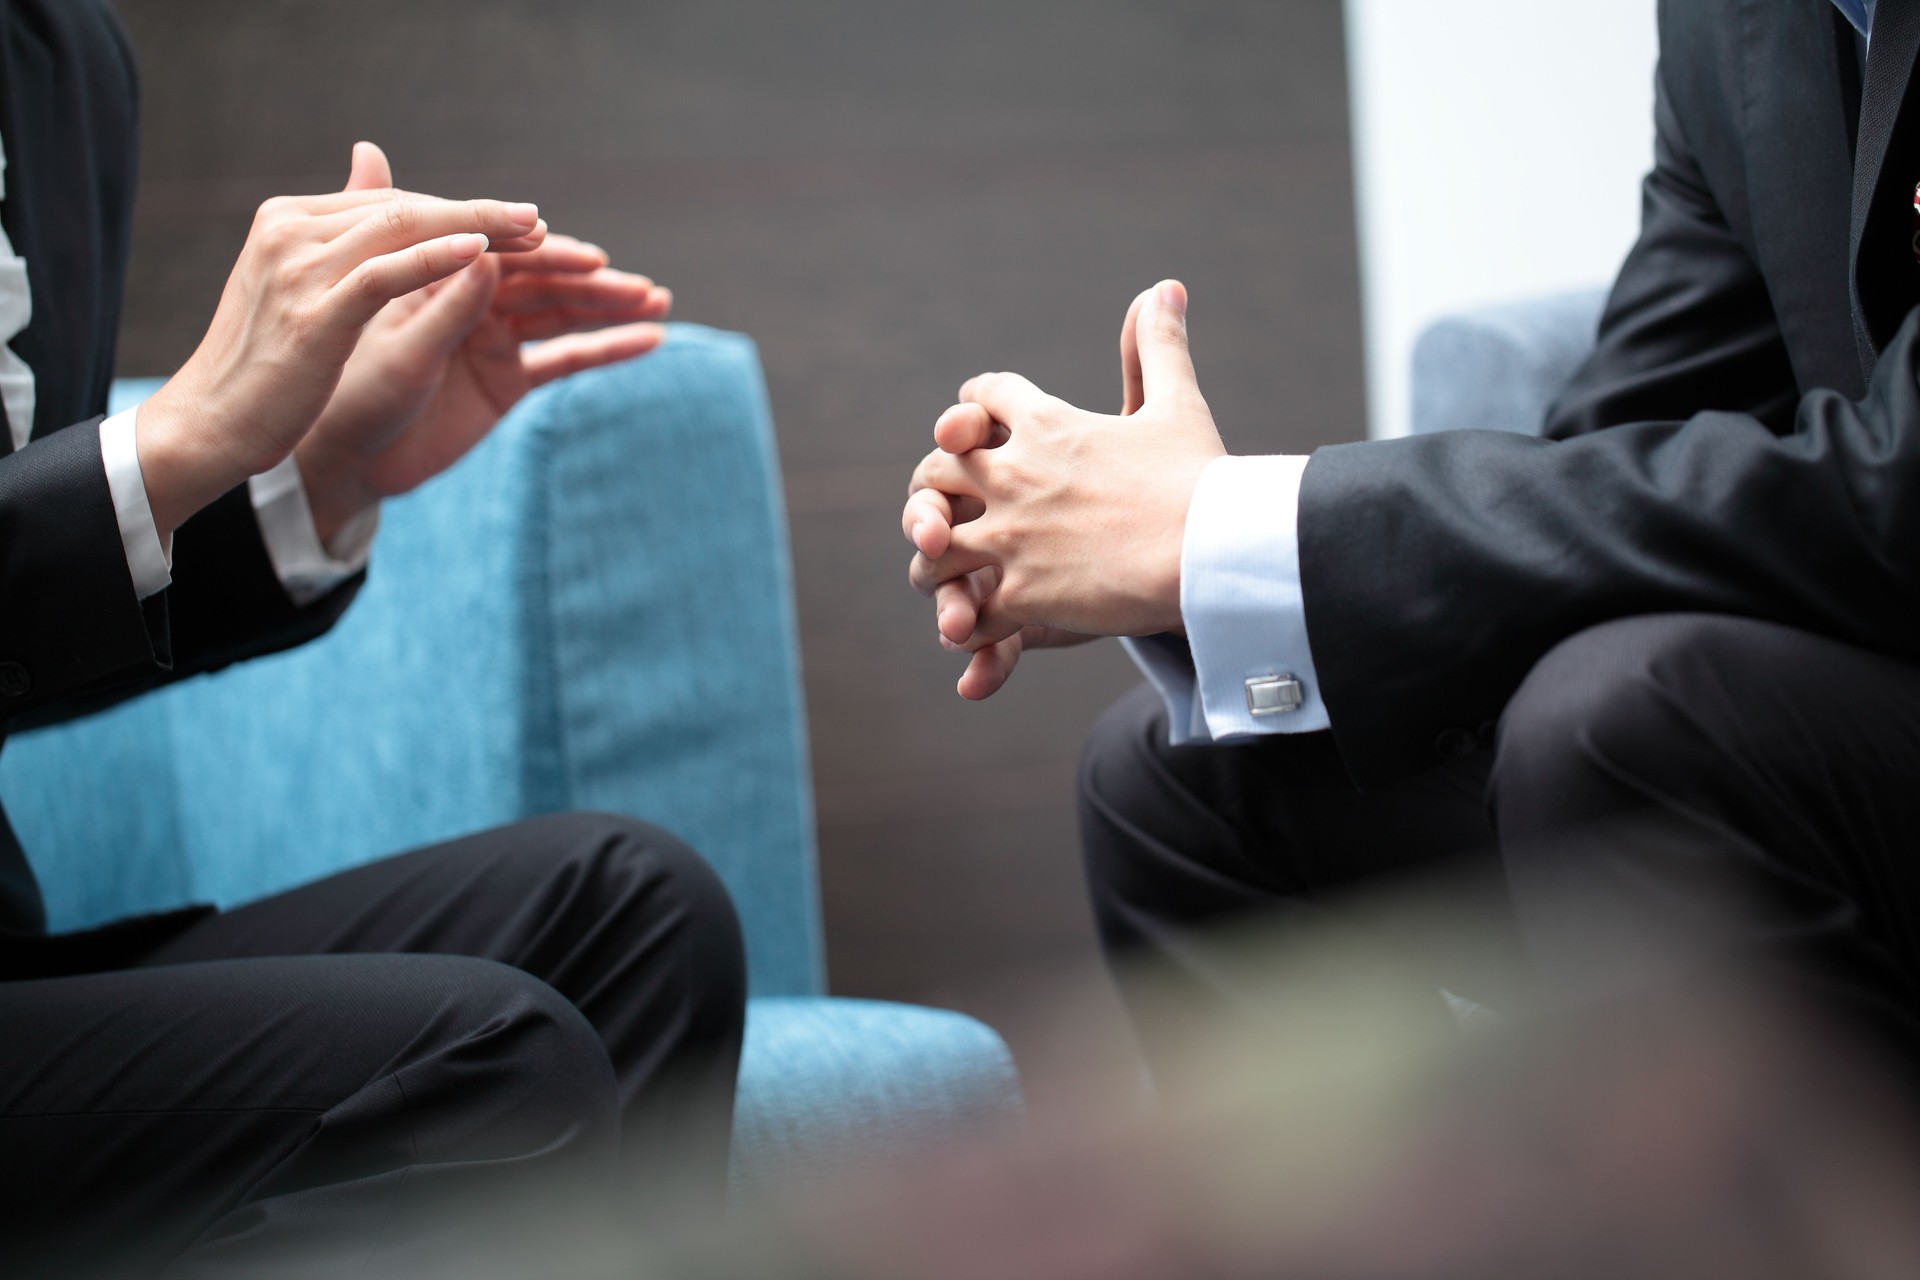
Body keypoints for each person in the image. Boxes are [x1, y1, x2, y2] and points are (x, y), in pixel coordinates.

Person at [905, 0, 1920, 1078]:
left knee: (1615, 717)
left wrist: (1227, 526)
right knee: (1172, 788)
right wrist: (1182, 569)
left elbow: (1895, 480)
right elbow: (1631, 437)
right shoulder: (1743, 22)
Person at [0, 2, 745, 1275]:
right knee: (494, 1064)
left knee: (636, 909)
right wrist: (170, 445)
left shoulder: (62, 59)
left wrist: (317, 476)